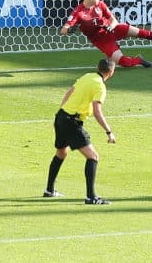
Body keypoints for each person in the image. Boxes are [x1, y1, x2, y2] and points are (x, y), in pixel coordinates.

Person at [44, 58, 117, 205]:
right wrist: (109, 131)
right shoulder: (100, 86)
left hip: (61, 116)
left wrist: (60, 113)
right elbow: (97, 110)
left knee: (61, 153)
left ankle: (49, 190)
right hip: (72, 122)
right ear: (111, 72)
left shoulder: (87, 76)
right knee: (93, 156)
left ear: (98, 67)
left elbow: (70, 92)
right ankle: (91, 197)